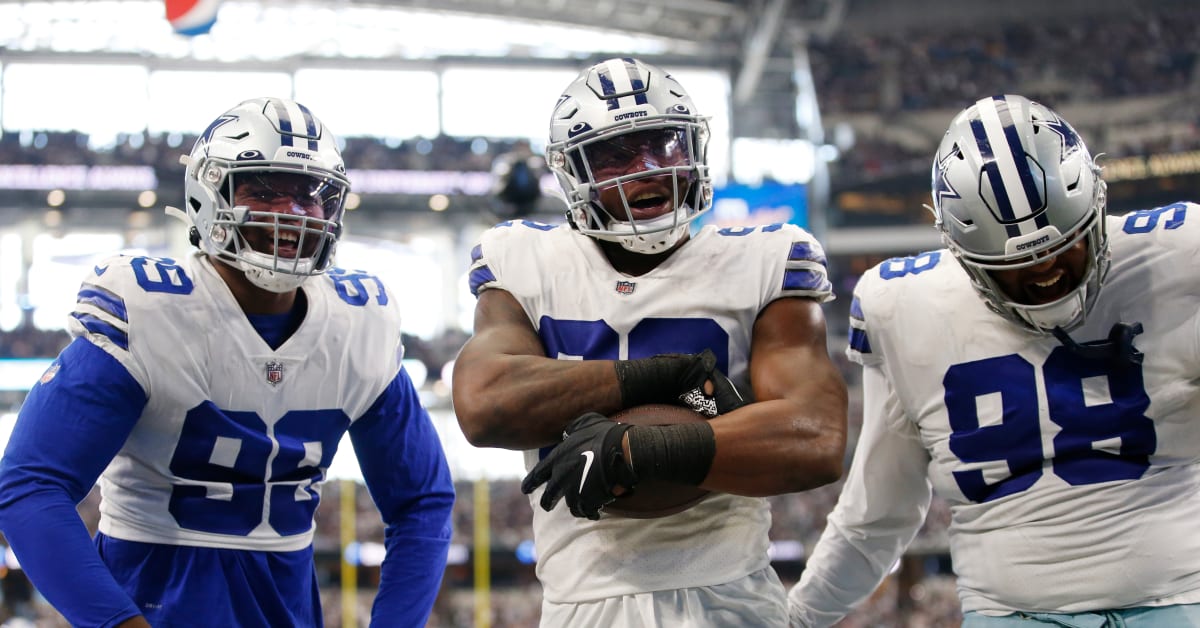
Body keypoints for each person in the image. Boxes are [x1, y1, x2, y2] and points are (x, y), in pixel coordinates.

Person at [0, 97, 455, 627]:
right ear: (207, 194)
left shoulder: (359, 324)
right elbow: (30, 485)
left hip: (288, 607)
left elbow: (421, 503)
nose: (293, 211)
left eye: (311, 194)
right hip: (154, 596)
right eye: (264, 190)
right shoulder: (150, 309)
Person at [452, 57, 848, 626]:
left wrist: (638, 449)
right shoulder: (526, 260)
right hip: (582, 600)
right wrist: (660, 377)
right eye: (616, 154)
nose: (647, 168)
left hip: (731, 595)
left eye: (663, 144)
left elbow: (817, 436)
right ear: (574, 172)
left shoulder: (765, 256)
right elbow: (483, 405)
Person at [788, 94, 1200, 627]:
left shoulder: (1175, 260)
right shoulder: (907, 310)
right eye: (1019, 264)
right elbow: (875, 518)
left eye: (1066, 246)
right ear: (963, 258)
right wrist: (793, 619)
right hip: (1009, 615)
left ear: (1098, 207)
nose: (1049, 270)